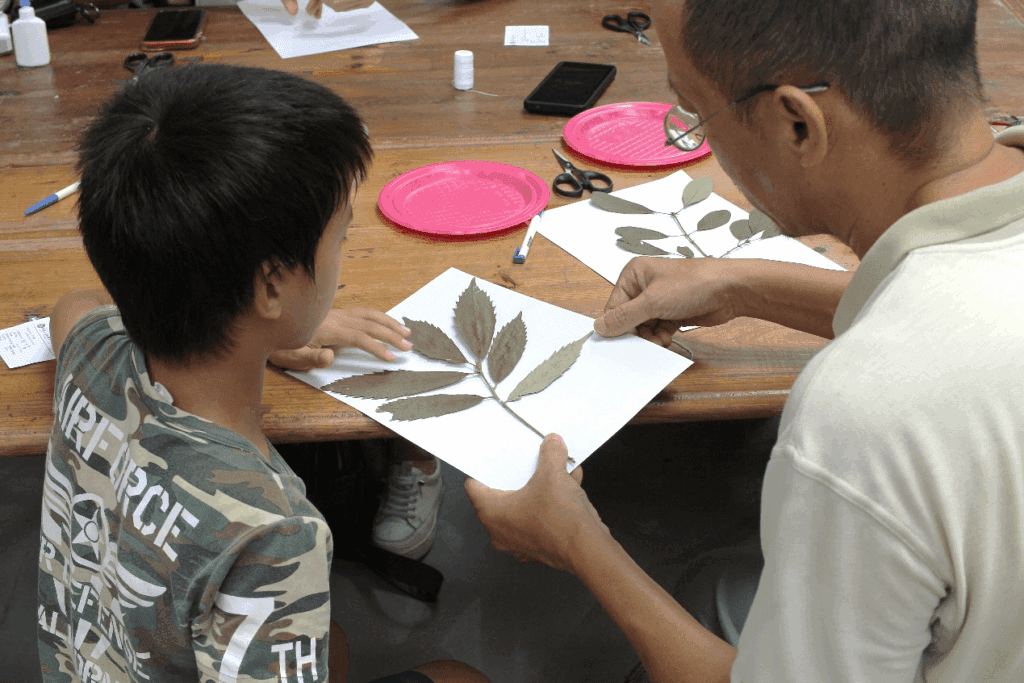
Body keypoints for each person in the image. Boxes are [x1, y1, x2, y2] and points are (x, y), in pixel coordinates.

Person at [465, 0, 1024, 681]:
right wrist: (739, 284)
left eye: (695, 112)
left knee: (704, 595)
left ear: (797, 124)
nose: (696, 135)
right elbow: (950, 315)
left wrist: (577, 541)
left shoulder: (865, 420)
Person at [37, 63, 485, 683]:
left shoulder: (93, 356)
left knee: (334, 646)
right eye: (342, 236)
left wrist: (252, 328)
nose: (342, 250)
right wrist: (264, 326)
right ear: (270, 286)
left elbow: (73, 306)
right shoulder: (274, 533)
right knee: (461, 677)